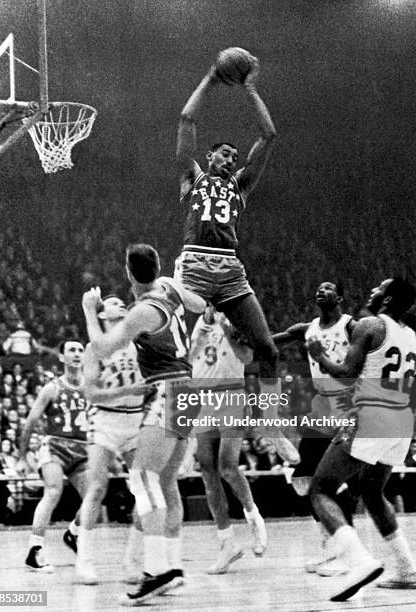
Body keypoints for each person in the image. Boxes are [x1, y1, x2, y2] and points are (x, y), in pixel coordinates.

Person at [175, 56, 297, 463]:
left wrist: (251, 90)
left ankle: (271, 424)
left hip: (228, 269)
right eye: (223, 154)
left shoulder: (241, 185)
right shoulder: (193, 176)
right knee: (167, 341)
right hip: (193, 264)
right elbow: (186, 120)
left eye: (233, 155)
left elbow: (270, 134)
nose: (229, 158)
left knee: (268, 350)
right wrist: (210, 78)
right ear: (210, 158)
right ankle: (168, 421)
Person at [82, 243, 205, 604]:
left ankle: (156, 572)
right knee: (165, 481)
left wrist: (90, 311)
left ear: (128, 272)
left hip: (167, 389)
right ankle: (171, 567)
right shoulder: (168, 288)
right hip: (188, 388)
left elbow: (103, 347)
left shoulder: (142, 311)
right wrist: (178, 283)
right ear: (158, 267)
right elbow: (199, 304)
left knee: (142, 477)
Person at [307, 278, 416, 601]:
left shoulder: (369, 325)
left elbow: (345, 372)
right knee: (372, 491)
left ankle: (359, 562)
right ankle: (407, 568)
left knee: (321, 489)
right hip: (402, 419)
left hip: (371, 414)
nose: (372, 291)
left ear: (389, 298)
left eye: (379, 289)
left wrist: (319, 354)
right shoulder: (411, 336)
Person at [273, 281, 358, 576]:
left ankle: (343, 552)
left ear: (340, 298)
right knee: (303, 480)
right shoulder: (305, 329)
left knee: (322, 481)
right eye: (318, 288)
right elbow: (270, 340)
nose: (321, 291)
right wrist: (242, 334)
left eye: (328, 288)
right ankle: (333, 544)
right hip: (321, 407)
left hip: (347, 405)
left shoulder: (351, 326)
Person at [75, 294, 147, 584]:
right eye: (113, 303)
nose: (120, 305)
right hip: (105, 421)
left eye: (121, 302)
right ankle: (84, 560)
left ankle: (134, 562)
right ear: (102, 316)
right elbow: (90, 394)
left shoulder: (139, 343)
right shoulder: (95, 348)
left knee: (145, 490)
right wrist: (126, 391)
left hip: (135, 421)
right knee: (96, 487)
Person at [190, 303, 267, 573]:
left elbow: (247, 357)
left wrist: (225, 327)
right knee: (208, 471)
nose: (211, 305)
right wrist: (199, 338)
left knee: (228, 466)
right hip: (202, 399)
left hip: (231, 394)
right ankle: (226, 543)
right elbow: (189, 361)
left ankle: (254, 517)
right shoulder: (199, 324)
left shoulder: (238, 322)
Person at [19, 339, 89, 572]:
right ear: (62, 357)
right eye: (71, 350)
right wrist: (22, 457)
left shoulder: (92, 387)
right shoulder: (52, 388)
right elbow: (30, 423)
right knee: (53, 491)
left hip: (82, 448)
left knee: (93, 499)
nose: (77, 354)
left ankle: (74, 533)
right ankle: (34, 550)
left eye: (80, 350)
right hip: (55, 446)